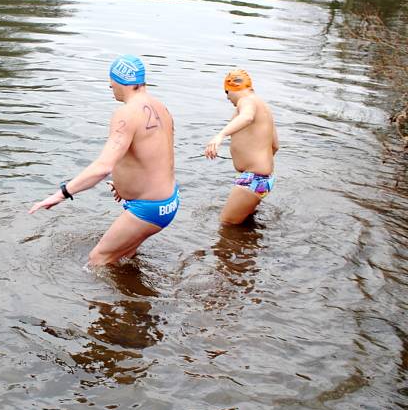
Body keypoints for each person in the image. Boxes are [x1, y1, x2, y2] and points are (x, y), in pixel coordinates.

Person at [29, 55, 179, 266]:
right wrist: (126, 184)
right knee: (123, 257)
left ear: (120, 81)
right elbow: (158, 156)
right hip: (169, 201)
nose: (110, 87)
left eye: (111, 84)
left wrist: (61, 194)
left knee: (97, 260)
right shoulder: (160, 107)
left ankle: (98, 300)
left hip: (149, 209)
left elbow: (102, 167)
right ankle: (132, 296)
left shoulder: (126, 113)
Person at [204, 69, 278, 224]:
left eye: (227, 92)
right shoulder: (263, 106)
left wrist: (220, 135)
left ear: (232, 88)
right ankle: (251, 245)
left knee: (226, 224)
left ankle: (231, 248)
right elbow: (275, 145)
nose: (227, 98)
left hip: (253, 179)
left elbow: (247, 117)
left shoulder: (247, 101)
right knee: (245, 225)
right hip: (263, 178)